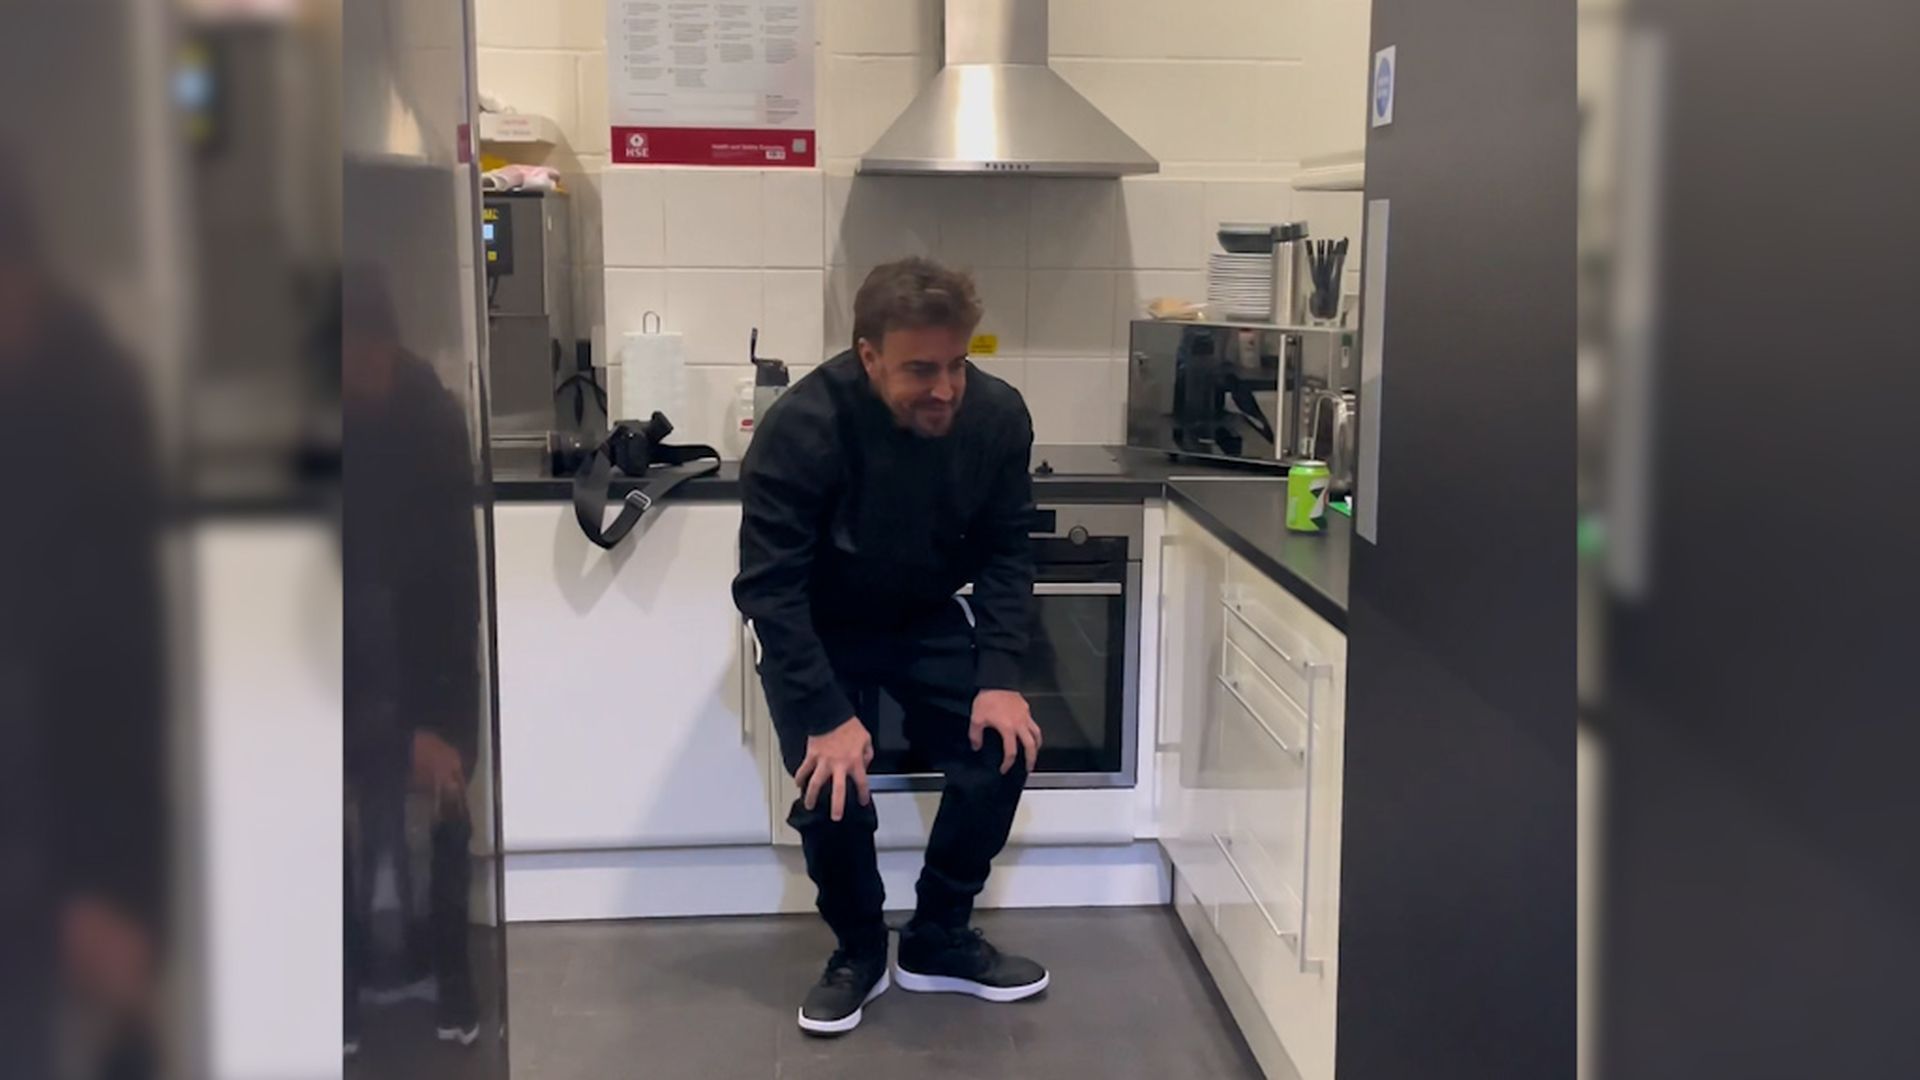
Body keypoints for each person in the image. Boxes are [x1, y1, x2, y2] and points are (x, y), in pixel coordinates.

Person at [734, 257, 1048, 1036]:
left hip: (922, 612)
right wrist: (824, 715)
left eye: (956, 365)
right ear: (868, 355)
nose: (944, 388)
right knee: (832, 784)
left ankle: (939, 935)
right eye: (919, 370)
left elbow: (1008, 551)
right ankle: (859, 948)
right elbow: (769, 588)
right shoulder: (801, 427)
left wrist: (999, 676)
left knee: (1000, 748)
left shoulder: (997, 417)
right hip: (816, 624)